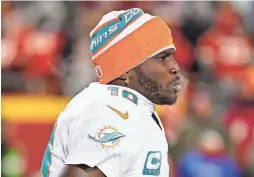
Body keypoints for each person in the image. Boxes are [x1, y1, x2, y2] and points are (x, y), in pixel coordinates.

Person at [41, 8, 181, 177]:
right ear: (125, 70)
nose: (174, 67)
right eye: (162, 57)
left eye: (172, 56)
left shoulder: (120, 105)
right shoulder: (116, 111)